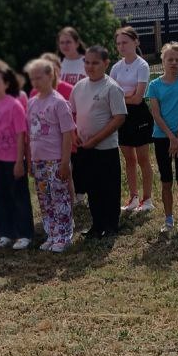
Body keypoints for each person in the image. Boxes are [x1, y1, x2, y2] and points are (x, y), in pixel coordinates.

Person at [69, 46, 128, 238]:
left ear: (106, 63)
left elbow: (119, 118)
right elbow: (72, 113)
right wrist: (74, 134)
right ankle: (97, 225)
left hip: (105, 148)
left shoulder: (111, 87)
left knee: (109, 187)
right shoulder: (79, 87)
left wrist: (95, 140)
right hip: (85, 147)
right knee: (92, 188)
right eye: (87, 62)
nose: (90, 66)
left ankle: (111, 225)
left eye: (95, 63)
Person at [0, 61, 35, 249]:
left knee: (19, 197)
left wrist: (19, 161)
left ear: (6, 83)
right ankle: (6, 233)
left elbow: (21, 135)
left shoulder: (14, 105)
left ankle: (24, 234)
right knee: (1, 198)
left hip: (13, 160)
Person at [25, 58, 76, 251]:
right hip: (38, 161)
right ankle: (52, 233)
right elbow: (30, 134)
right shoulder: (31, 103)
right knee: (45, 199)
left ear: (50, 75)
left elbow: (67, 134)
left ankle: (64, 235)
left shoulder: (59, 103)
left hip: (55, 160)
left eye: (39, 77)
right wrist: (30, 160)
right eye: (32, 78)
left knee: (59, 198)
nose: (35, 82)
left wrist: (65, 162)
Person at [147, 41, 178, 234]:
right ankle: (168, 220)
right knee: (166, 181)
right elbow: (156, 114)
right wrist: (171, 138)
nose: (174, 63)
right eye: (170, 59)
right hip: (162, 138)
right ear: (163, 60)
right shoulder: (154, 85)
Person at [111, 26, 154, 213]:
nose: (122, 46)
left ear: (136, 42)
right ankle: (133, 197)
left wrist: (123, 96)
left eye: (125, 42)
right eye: (118, 43)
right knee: (129, 159)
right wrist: (126, 96)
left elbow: (138, 98)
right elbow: (111, 94)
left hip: (139, 116)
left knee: (143, 159)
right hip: (122, 116)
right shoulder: (116, 67)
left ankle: (148, 199)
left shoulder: (142, 65)